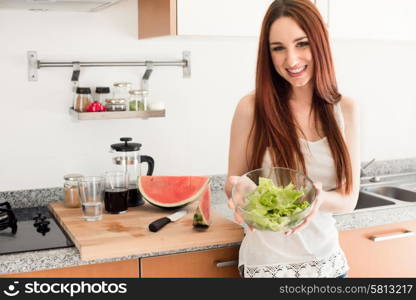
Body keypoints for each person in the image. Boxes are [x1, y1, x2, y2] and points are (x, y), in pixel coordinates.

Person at [225, 0, 360, 278]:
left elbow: (349, 199)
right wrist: (239, 192)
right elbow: (236, 183)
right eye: (278, 48)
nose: (292, 60)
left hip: (328, 268)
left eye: (302, 44)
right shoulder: (251, 108)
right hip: (267, 269)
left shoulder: (346, 109)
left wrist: (316, 199)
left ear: (320, 43)